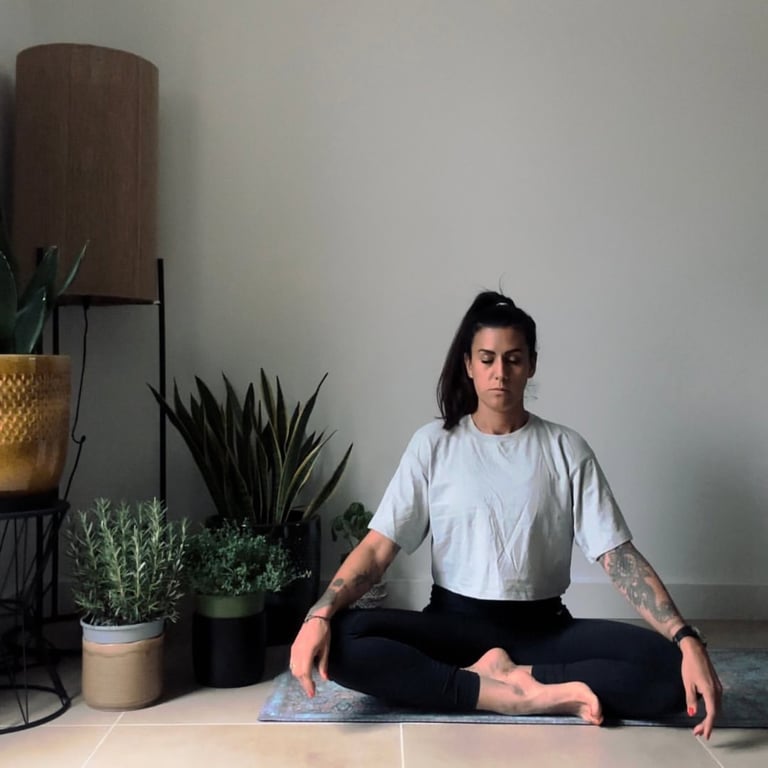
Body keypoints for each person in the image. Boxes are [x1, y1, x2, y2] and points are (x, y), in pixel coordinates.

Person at [289, 290, 722, 738]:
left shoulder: (565, 448)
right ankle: (512, 693)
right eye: (488, 358)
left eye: (513, 359)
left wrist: (685, 637)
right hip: (452, 629)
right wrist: (317, 616)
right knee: (342, 639)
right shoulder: (433, 444)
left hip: (544, 632)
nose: (500, 373)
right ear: (468, 365)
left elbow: (618, 556)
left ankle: (512, 678)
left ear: (531, 365)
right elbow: (379, 548)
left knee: (673, 670)